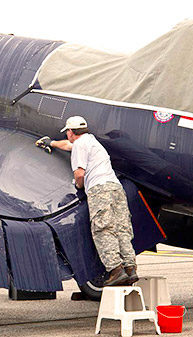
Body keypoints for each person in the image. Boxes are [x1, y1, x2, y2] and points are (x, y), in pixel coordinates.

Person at [36, 116, 138, 286]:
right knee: (122, 228)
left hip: (100, 189)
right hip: (116, 188)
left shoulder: (80, 145)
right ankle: (130, 268)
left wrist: (78, 185)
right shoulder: (92, 141)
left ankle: (115, 270)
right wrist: (52, 143)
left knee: (103, 228)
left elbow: (79, 174)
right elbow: (69, 146)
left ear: (70, 132)